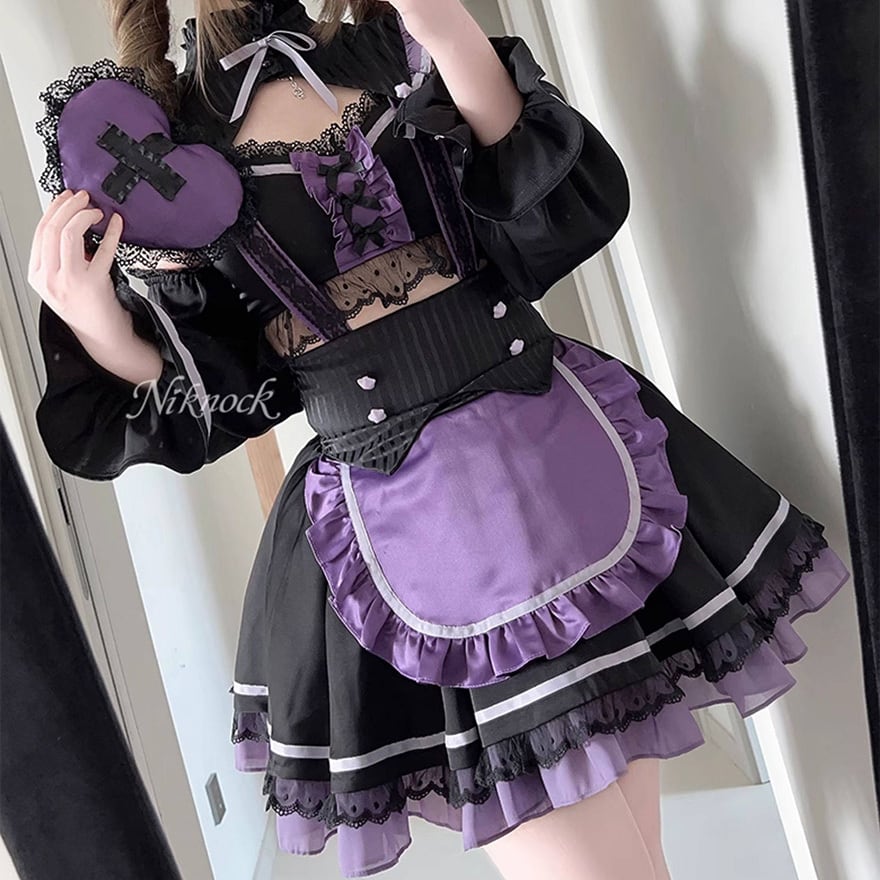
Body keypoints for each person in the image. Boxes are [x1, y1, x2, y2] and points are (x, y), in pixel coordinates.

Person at [27, 2, 851, 878]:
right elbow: (236, 397)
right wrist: (99, 325)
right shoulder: (165, 141)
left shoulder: (391, 42)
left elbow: (547, 228)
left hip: (561, 462)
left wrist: (450, 34)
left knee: (639, 862)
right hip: (409, 519)